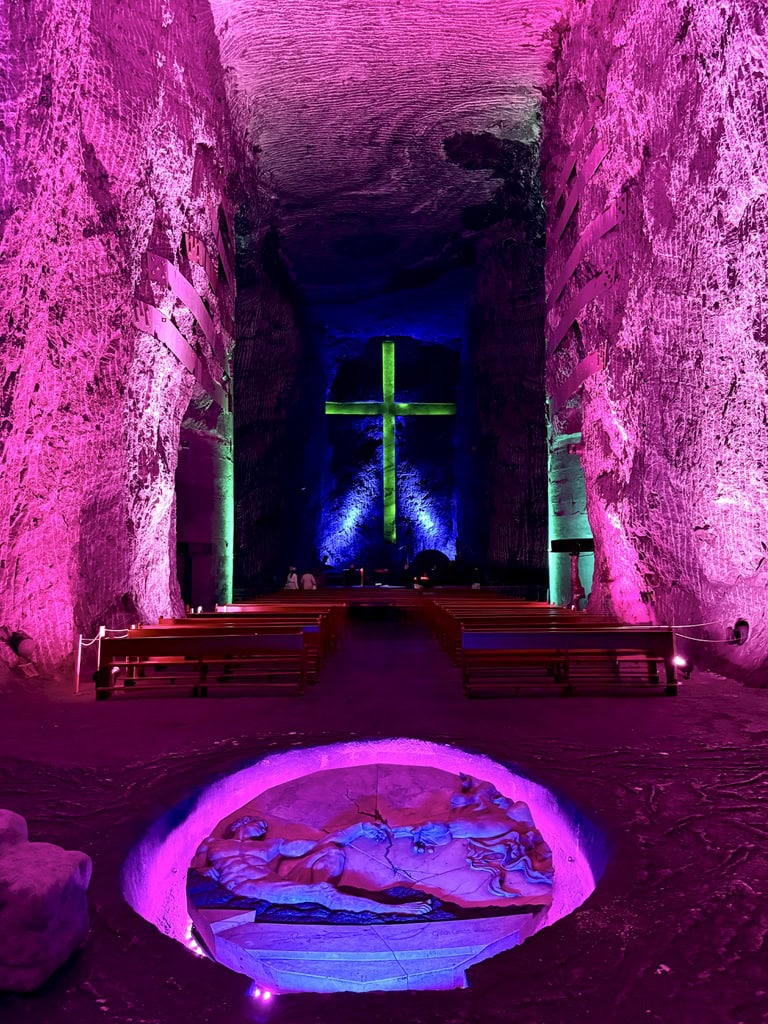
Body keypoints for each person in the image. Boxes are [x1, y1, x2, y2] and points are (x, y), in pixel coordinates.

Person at [193, 816, 430, 916]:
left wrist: (357, 829)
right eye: (260, 824)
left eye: (264, 828)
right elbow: (192, 870)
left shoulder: (272, 845)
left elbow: (318, 844)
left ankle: (323, 900)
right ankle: (391, 910)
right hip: (244, 887)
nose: (263, 829)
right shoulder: (213, 843)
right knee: (321, 892)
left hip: (275, 885)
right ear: (242, 822)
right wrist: (205, 872)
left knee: (330, 851)